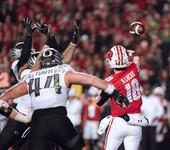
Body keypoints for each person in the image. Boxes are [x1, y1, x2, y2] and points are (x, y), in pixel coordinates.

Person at [0, 47, 128, 150]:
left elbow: (4, 98)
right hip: (59, 119)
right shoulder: (63, 72)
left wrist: (21, 117)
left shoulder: (31, 77)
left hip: (39, 123)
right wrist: (113, 91)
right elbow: (90, 79)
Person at [96, 45, 149, 150]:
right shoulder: (133, 69)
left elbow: (99, 102)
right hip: (136, 122)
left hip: (119, 122)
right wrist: (130, 52)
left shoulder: (110, 81)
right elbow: (136, 57)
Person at [0, 17, 37, 150]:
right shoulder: (18, 65)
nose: (33, 53)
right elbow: (25, 54)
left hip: (33, 112)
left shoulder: (35, 67)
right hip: (22, 112)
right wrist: (28, 35)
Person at [140, 85, 164, 150]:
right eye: (145, 90)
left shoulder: (155, 99)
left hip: (153, 123)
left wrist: (156, 117)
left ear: (150, 91)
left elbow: (161, 110)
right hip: (144, 123)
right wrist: (140, 112)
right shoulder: (141, 99)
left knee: (152, 141)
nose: (147, 91)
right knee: (144, 141)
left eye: (148, 90)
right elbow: (138, 109)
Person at [82, 86, 102, 150]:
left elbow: (101, 111)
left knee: (95, 140)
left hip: (95, 122)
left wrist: (97, 101)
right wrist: (83, 123)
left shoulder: (97, 101)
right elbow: (85, 113)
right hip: (88, 122)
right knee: (86, 139)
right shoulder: (87, 101)